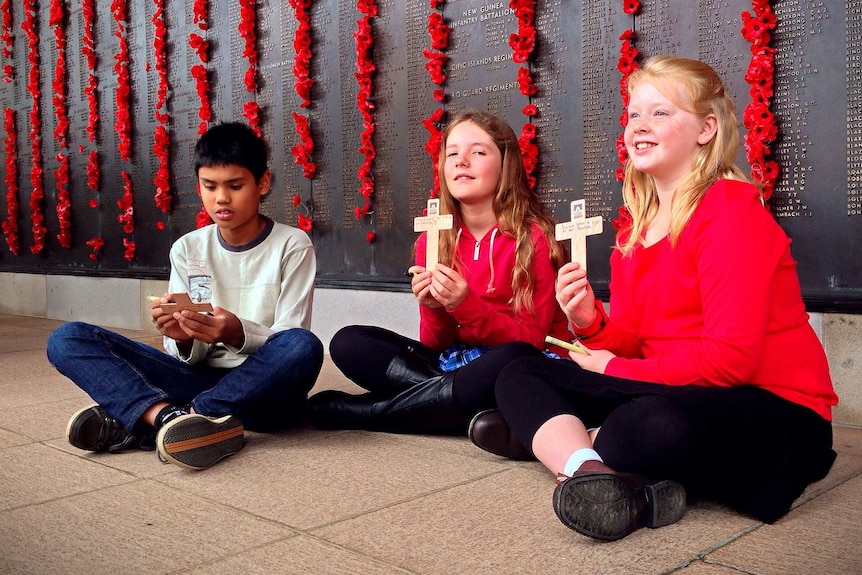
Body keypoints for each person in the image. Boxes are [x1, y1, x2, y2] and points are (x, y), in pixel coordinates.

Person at [469, 56, 839, 541]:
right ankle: (591, 475)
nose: (640, 127)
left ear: (706, 129)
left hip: (774, 409)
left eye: (661, 113)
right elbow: (639, 343)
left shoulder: (730, 214)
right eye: (635, 114)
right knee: (518, 369)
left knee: (643, 426)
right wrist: (589, 322)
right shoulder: (635, 228)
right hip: (677, 386)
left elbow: (731, 363)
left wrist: (609, 370)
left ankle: (569, 445)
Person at [47, 121, 324, 470]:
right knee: (67, 338)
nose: (221, 198)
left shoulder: (292, 244)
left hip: (265, 388)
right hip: (198, 377)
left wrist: (234, 331)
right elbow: (185, 354)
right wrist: (181, 338)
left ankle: (165, 417)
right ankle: (171, 420)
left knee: (304, 346)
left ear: (262, 183)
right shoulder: (189, 248)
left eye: (235, 186)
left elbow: (290, 335)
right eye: (210, 186)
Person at [307, 109, 571, 435]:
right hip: (454, 364)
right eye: (452, 154)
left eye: (478, 151)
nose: (462, 161)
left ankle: (370, 412)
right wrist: (433, 308)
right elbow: (435, 344)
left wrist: (465, 304)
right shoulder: (433, 241)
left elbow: (530, 340)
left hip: (517, 364)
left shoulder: (535, 239)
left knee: (512, 359)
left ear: (506, 164)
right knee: (350, 342)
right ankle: (458, 404)